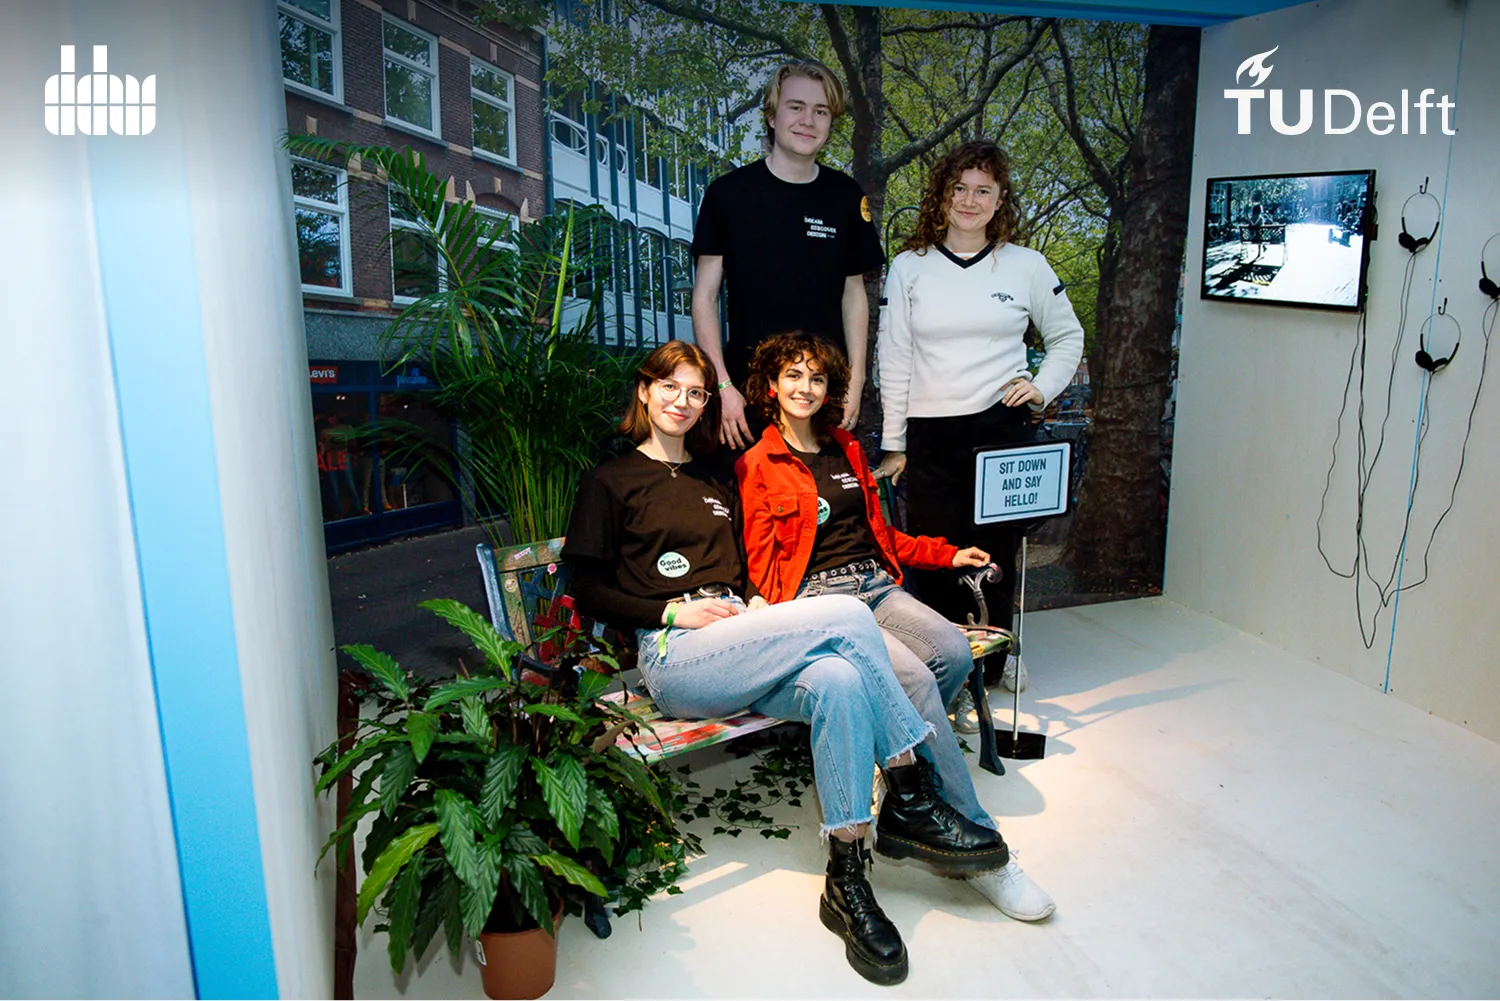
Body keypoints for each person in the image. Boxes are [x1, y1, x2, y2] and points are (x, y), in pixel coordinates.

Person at [563, 341, 1008, 986]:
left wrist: (747, 601)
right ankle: (910, 792)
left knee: (838, 678)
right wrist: (668, 614)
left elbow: (744, 566)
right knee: (851, 618)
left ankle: (847, 881)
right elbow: (586, 588)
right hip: (675, 654)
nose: (682, 403)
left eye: (695, 393)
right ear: (644, 391)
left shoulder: (718, 474)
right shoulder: (610, 479)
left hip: (739, 634)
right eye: (670, 388)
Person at [737, 331, 1056, 922]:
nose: (805, 388)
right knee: (909, 678)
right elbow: (761, 561)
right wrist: (767, 611)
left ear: (829, 389)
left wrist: (945, 552)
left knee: (953, 651)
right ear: (771, 387)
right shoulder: (758, 463)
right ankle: (980, 850)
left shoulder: (848, 450)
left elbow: (882, 537)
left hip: (877, 586)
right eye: (793, 376)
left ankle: (898, 771)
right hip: (825, 602)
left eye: (816, 378)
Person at [873, 140, 1084, 695]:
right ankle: (947, 668)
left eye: (982, 191)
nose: (969, 200)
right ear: (941, 197)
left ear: (1000, 200)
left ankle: (997, 658)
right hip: (931, 436)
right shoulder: (909, 267)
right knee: (938, 552)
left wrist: (1039, 388)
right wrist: (895, 443)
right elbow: (894, 357)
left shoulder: (1026, 265)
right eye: (959, 188)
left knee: (996, 552)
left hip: (1000, 430)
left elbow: (1067, 337)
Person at [690, 59, 884, 449]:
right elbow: (704, 298)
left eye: (821, 111)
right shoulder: (727, 194)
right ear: (772, 116)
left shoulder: (845, 196)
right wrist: (723, 385)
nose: (808, 120)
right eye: (796, 107)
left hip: (823, 396)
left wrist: (857, 380)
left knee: (827, 508)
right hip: (745, 399)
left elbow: (854, 295)